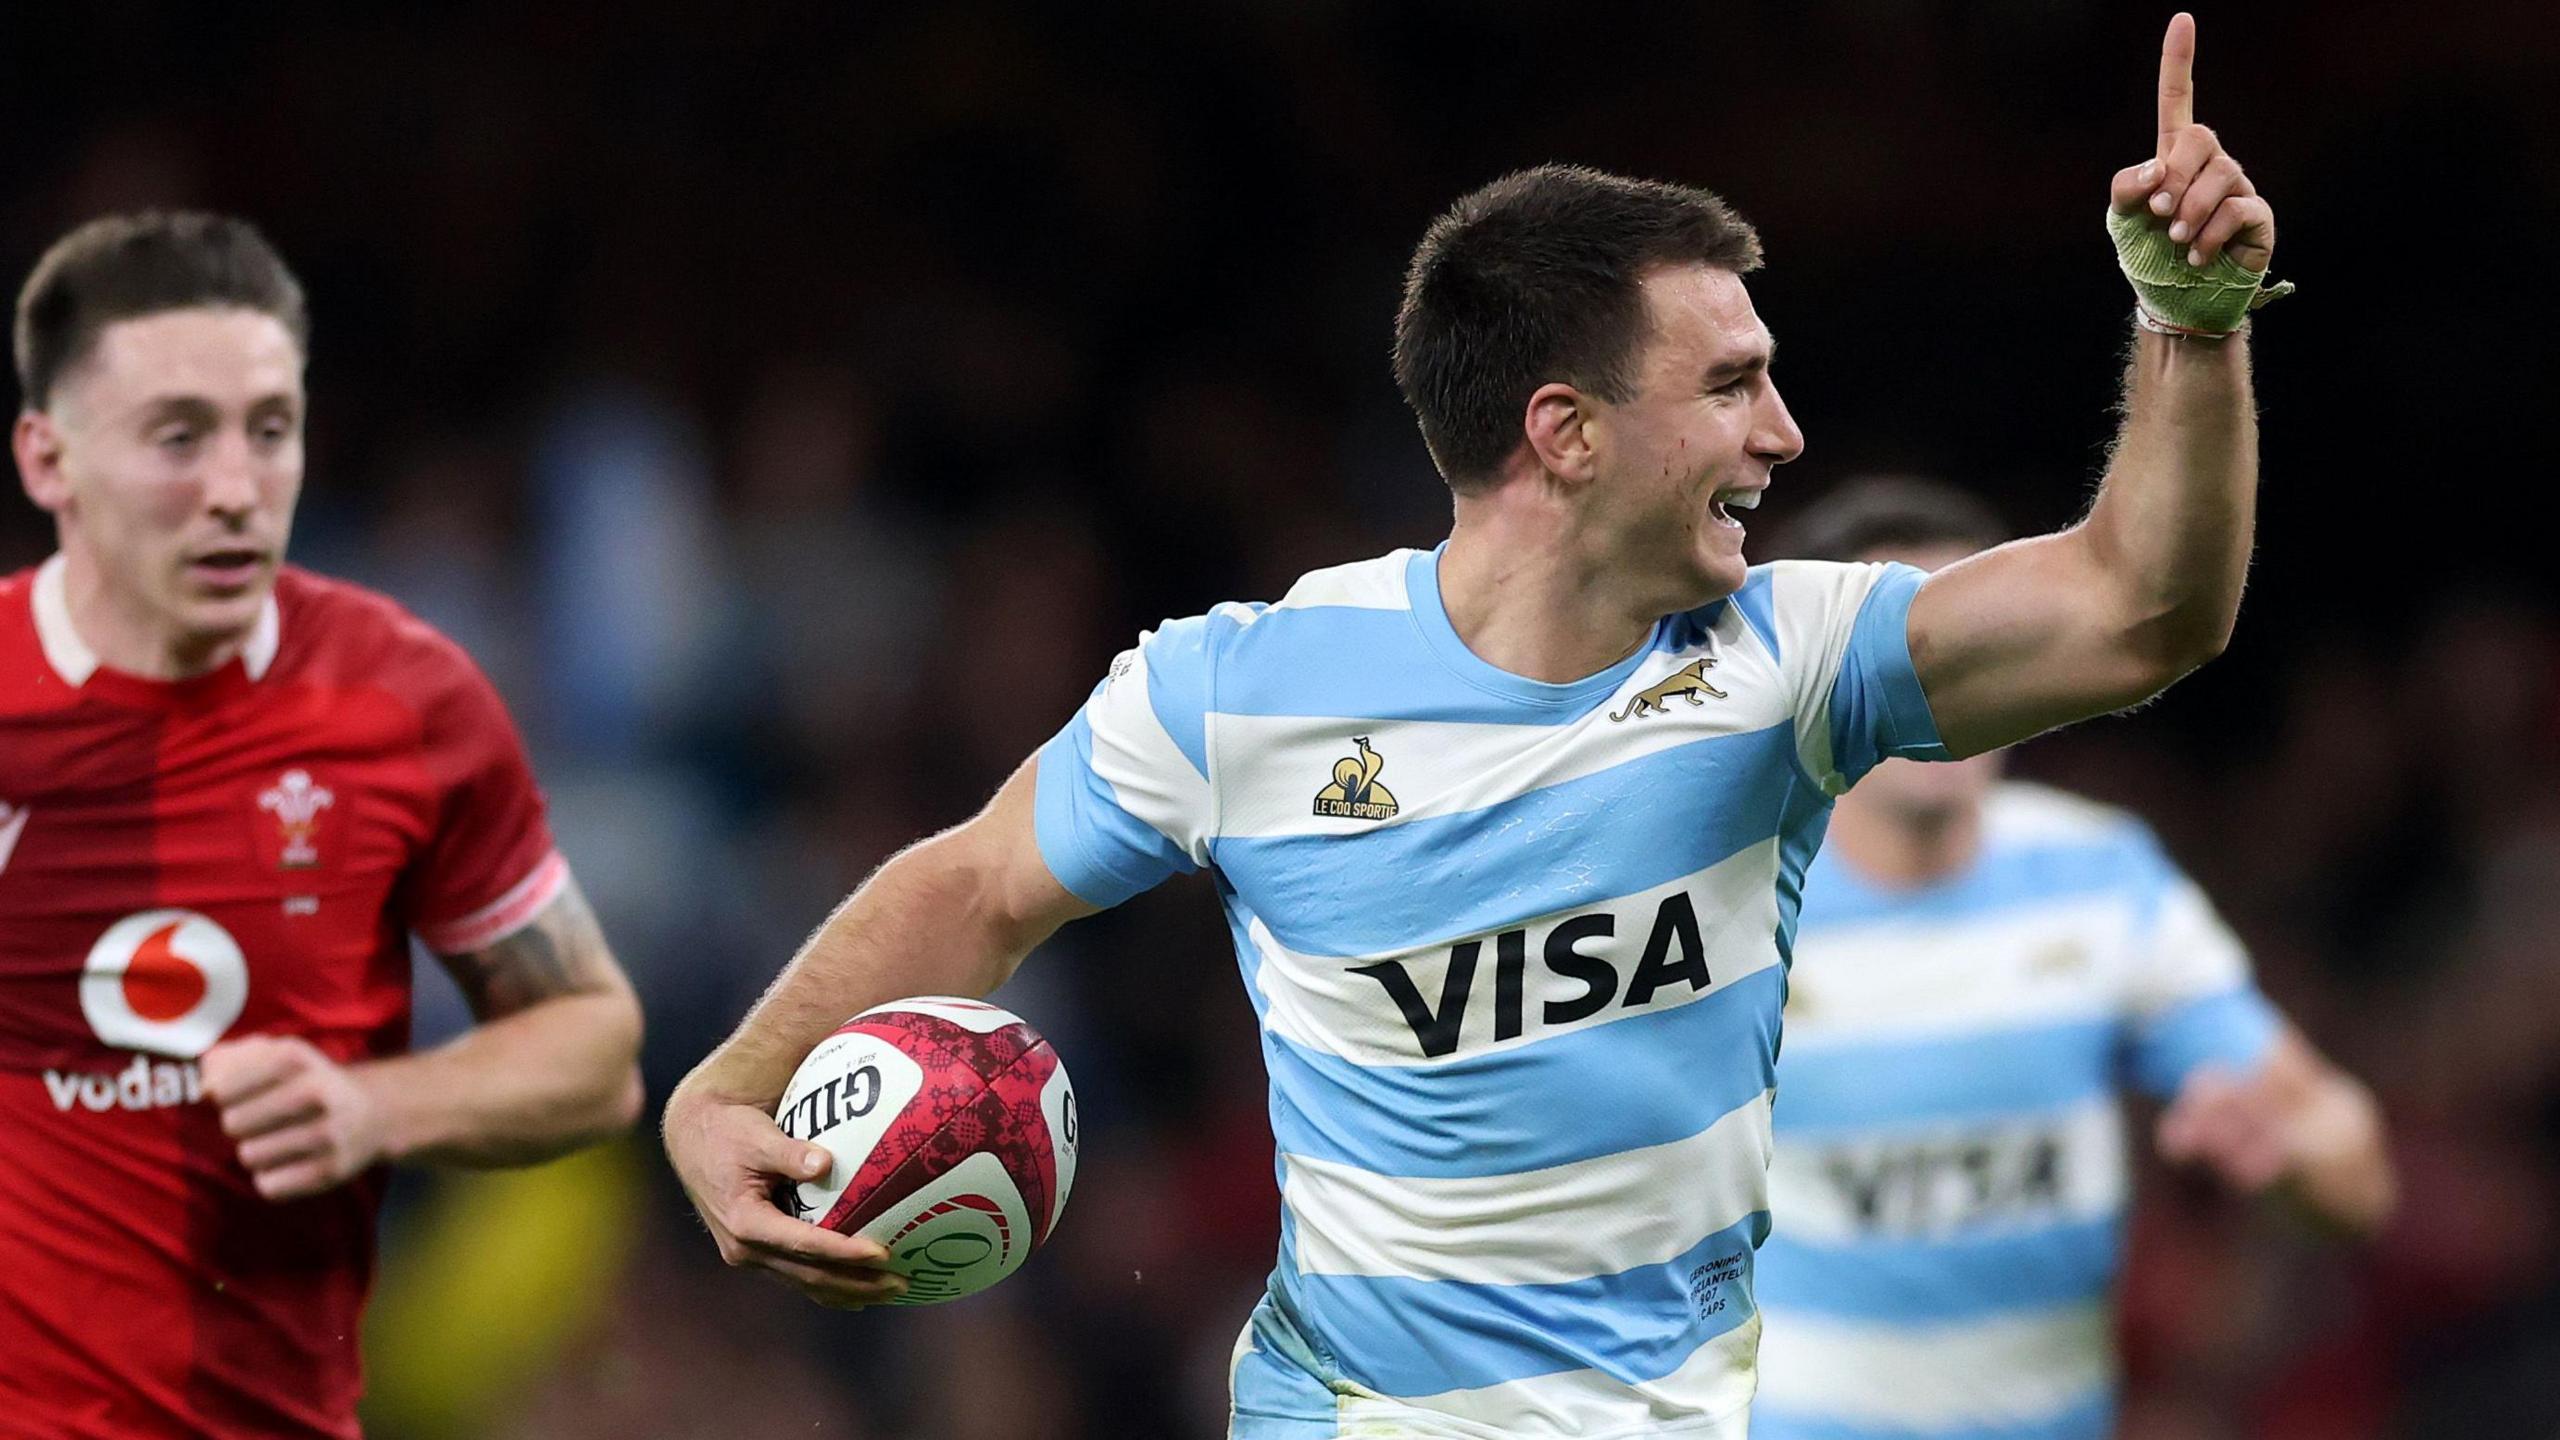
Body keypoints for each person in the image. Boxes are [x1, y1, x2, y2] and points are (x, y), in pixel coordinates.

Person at [666, 15, 2282, 1437]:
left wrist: (2191, 324)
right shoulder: (1240, 687)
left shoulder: (1794, 660)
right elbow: (978, 887)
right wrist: (723, 1092)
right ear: (1564, 432)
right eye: (1731, 384)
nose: (1784, 434)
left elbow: (2145, 611)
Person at [0, 212, 646, 1439]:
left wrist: (378, 1110)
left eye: (270, 431)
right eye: (178, 437)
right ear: (49, 461)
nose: (236, 489)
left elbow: (597, 1052)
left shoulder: (405, 702)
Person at [1748, 477, 2395, 1440]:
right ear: (1824, 678)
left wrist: (2293, 1159)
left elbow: (2357, 1176)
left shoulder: (2101, 878)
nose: (1945, 689)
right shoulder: (1738, 899)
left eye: (1977, 649)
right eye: (1910, 655)